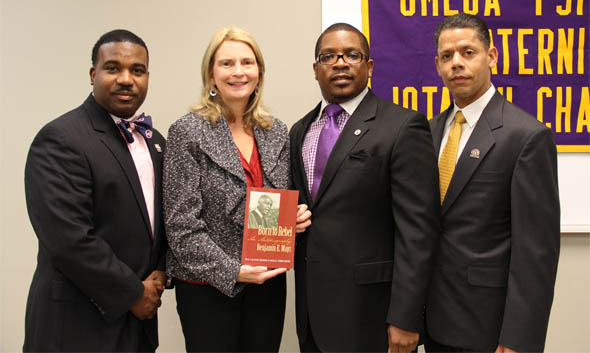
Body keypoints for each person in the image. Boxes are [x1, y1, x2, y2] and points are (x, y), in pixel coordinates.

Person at [290, 23, 440, 352]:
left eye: (352, 55)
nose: (340, 63)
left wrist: (406, 317)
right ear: (316, 70)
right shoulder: (300, 131)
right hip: (313, 317)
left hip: (374, 316)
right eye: (328, 56)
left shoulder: (402, 126)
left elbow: (419, 233)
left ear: (369, 67)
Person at [163, 27, 311, 352]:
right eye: (227, 63)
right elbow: (180, 227)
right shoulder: (187, 132)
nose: (239, 72)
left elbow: (275, 207)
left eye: (247, 62)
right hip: (208, 287)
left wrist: (294, 222)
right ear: (211, 74)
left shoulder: (276, 132)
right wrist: (234, 271)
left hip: (266, 284)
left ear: (259, 72)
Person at [23, 29, 167, 352]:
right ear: (93, 74)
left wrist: (161, 270)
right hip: (75, 325)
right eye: (113, 68)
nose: (126, 79)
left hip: (136, 330)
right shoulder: (61, 138)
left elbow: (160, 223)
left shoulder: (156, 142)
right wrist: (134, 293)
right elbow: (69, 240)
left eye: (137, 70)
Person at [425, 13, 560, 353]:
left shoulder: (526, 136)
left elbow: (536, 253)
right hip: (432, 321)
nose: (456, 63)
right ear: (438, 65)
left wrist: (519, 339)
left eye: (468, 52)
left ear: (492, 56)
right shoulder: (427, 132)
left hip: (488, 328)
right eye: (447, 56)